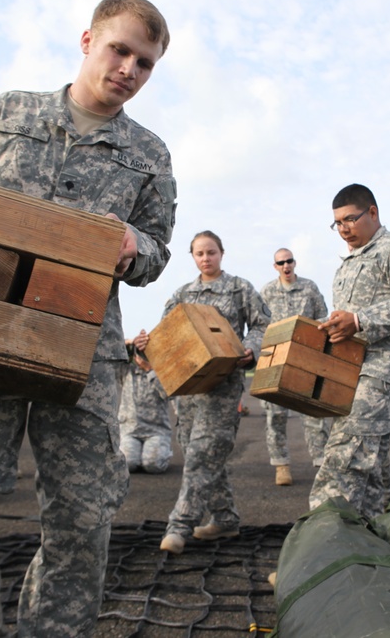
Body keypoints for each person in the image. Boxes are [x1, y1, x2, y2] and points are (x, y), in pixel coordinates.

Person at [0, 0, 176, 637]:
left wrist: (136, 247)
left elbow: (158, 249)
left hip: (83, 348)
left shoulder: (150, 154)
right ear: (88, 41)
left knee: (82, 514)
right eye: (120, 50)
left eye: (145, 62)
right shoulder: (9, 113)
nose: (129, 69)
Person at [309, 184, 390, 519]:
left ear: (373, 212)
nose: (344, 228)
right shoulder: (348, 263)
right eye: (337, 223)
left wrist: (360, 320)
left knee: (343, 461)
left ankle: (321, 553)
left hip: (383, 373)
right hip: (351, 372)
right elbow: (349, 317)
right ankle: (367, 551)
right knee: (369, 472)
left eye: (350, 219)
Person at [150, 230, 270, 554]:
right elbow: (166, 334)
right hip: (188, 390)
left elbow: (263, 325)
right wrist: (147, 347)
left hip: (223, 386)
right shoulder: (182, 295)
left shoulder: (239, 288)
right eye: (200, 253)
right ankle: (225, 519)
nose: (206, 258)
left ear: (222, 253)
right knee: (197, 455)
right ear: (193, 257)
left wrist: (251, 347)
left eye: (211, 252)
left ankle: (179, 526)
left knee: (204, 453)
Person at [259, 247, 330, 485]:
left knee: (313, 417)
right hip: (276, 360)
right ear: (275, 266)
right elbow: (260, 325)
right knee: (275, 417)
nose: (286, 266)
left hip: (305, 359)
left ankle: (322, 465)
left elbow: (323, 317)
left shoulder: (309, 288)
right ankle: (281, 465)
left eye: (289, 261)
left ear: (295, 263)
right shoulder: (267, 292)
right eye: (281, 263)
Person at [120, 332, 174, 474]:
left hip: (156, 431)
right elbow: (113, 345)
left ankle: (163, 451)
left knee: (153, 464)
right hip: (130, 430)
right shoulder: (126, 370)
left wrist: (149, 369)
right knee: (127, 464)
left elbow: (168, 392)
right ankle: (137, 455)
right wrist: (132, 341)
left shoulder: (161, 372)